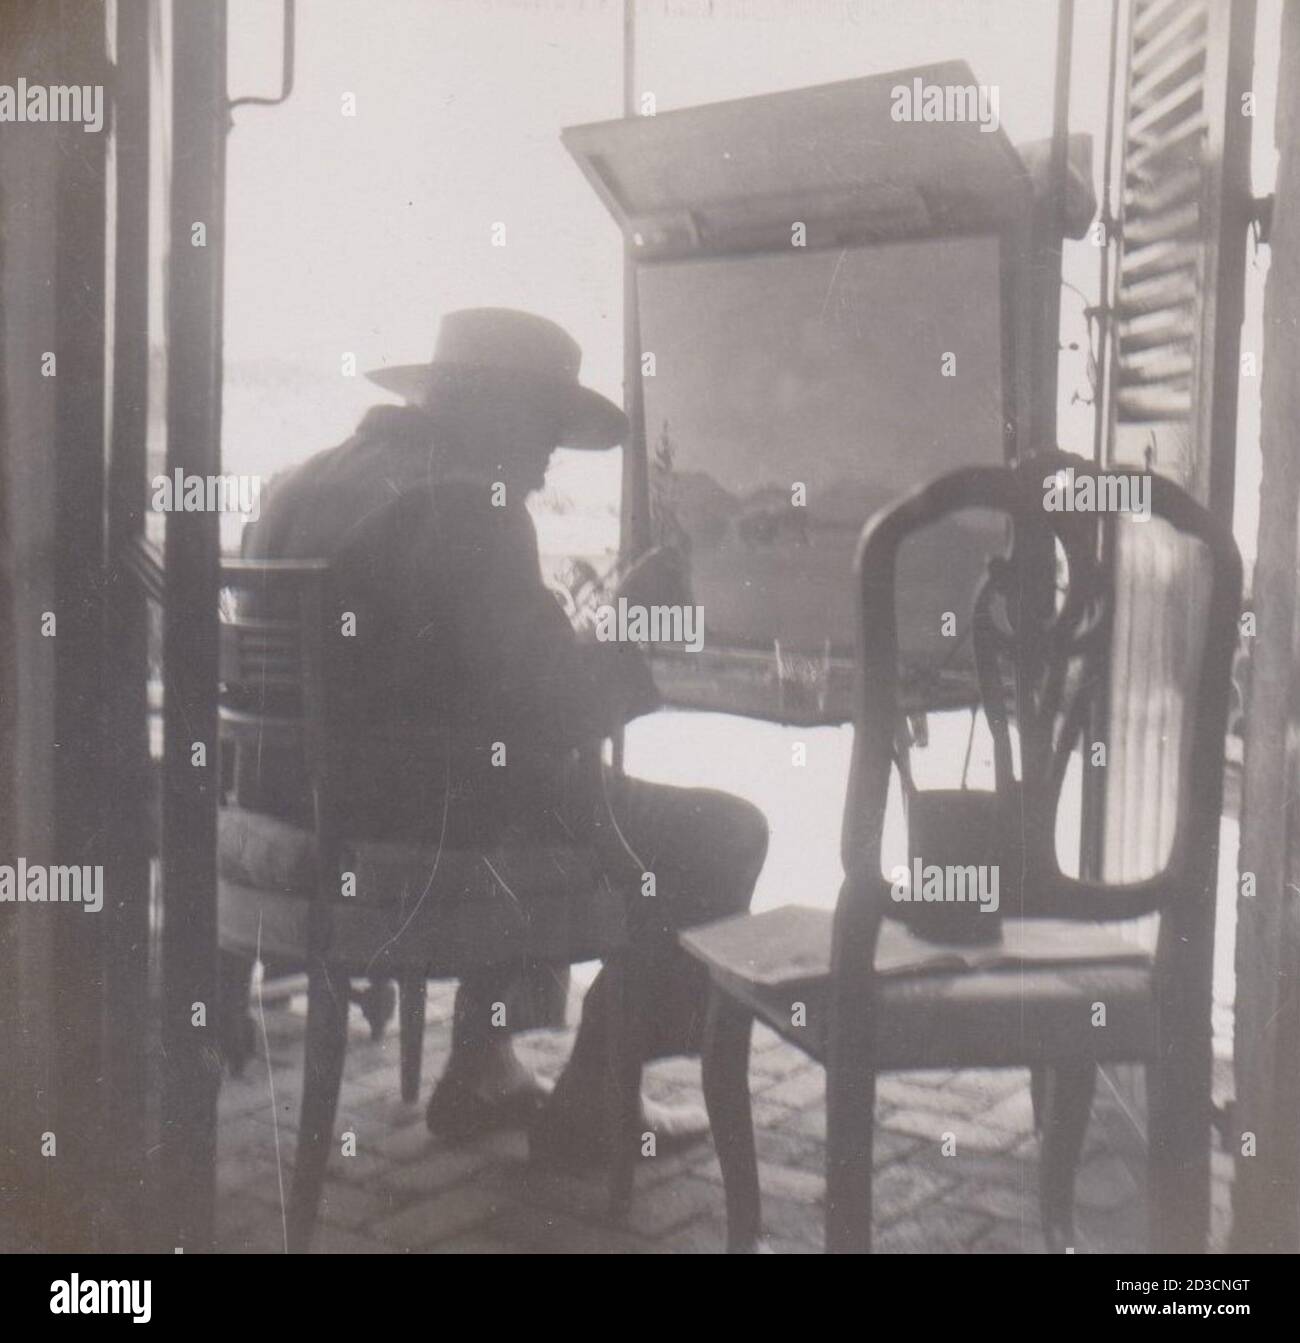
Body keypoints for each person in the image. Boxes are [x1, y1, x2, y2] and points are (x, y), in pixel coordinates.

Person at [236, 308, 768, 1156]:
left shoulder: (299, 482)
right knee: (723, 832)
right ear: (496, 412)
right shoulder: (473, 505)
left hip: (287, 803)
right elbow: (550, 702)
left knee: (541, 779)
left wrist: (569, 646)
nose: (550, 454)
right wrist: (633, 639)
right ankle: (598, 1097)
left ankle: (486, 1063)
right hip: (407, 825)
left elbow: (453, 666)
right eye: (546, 428)